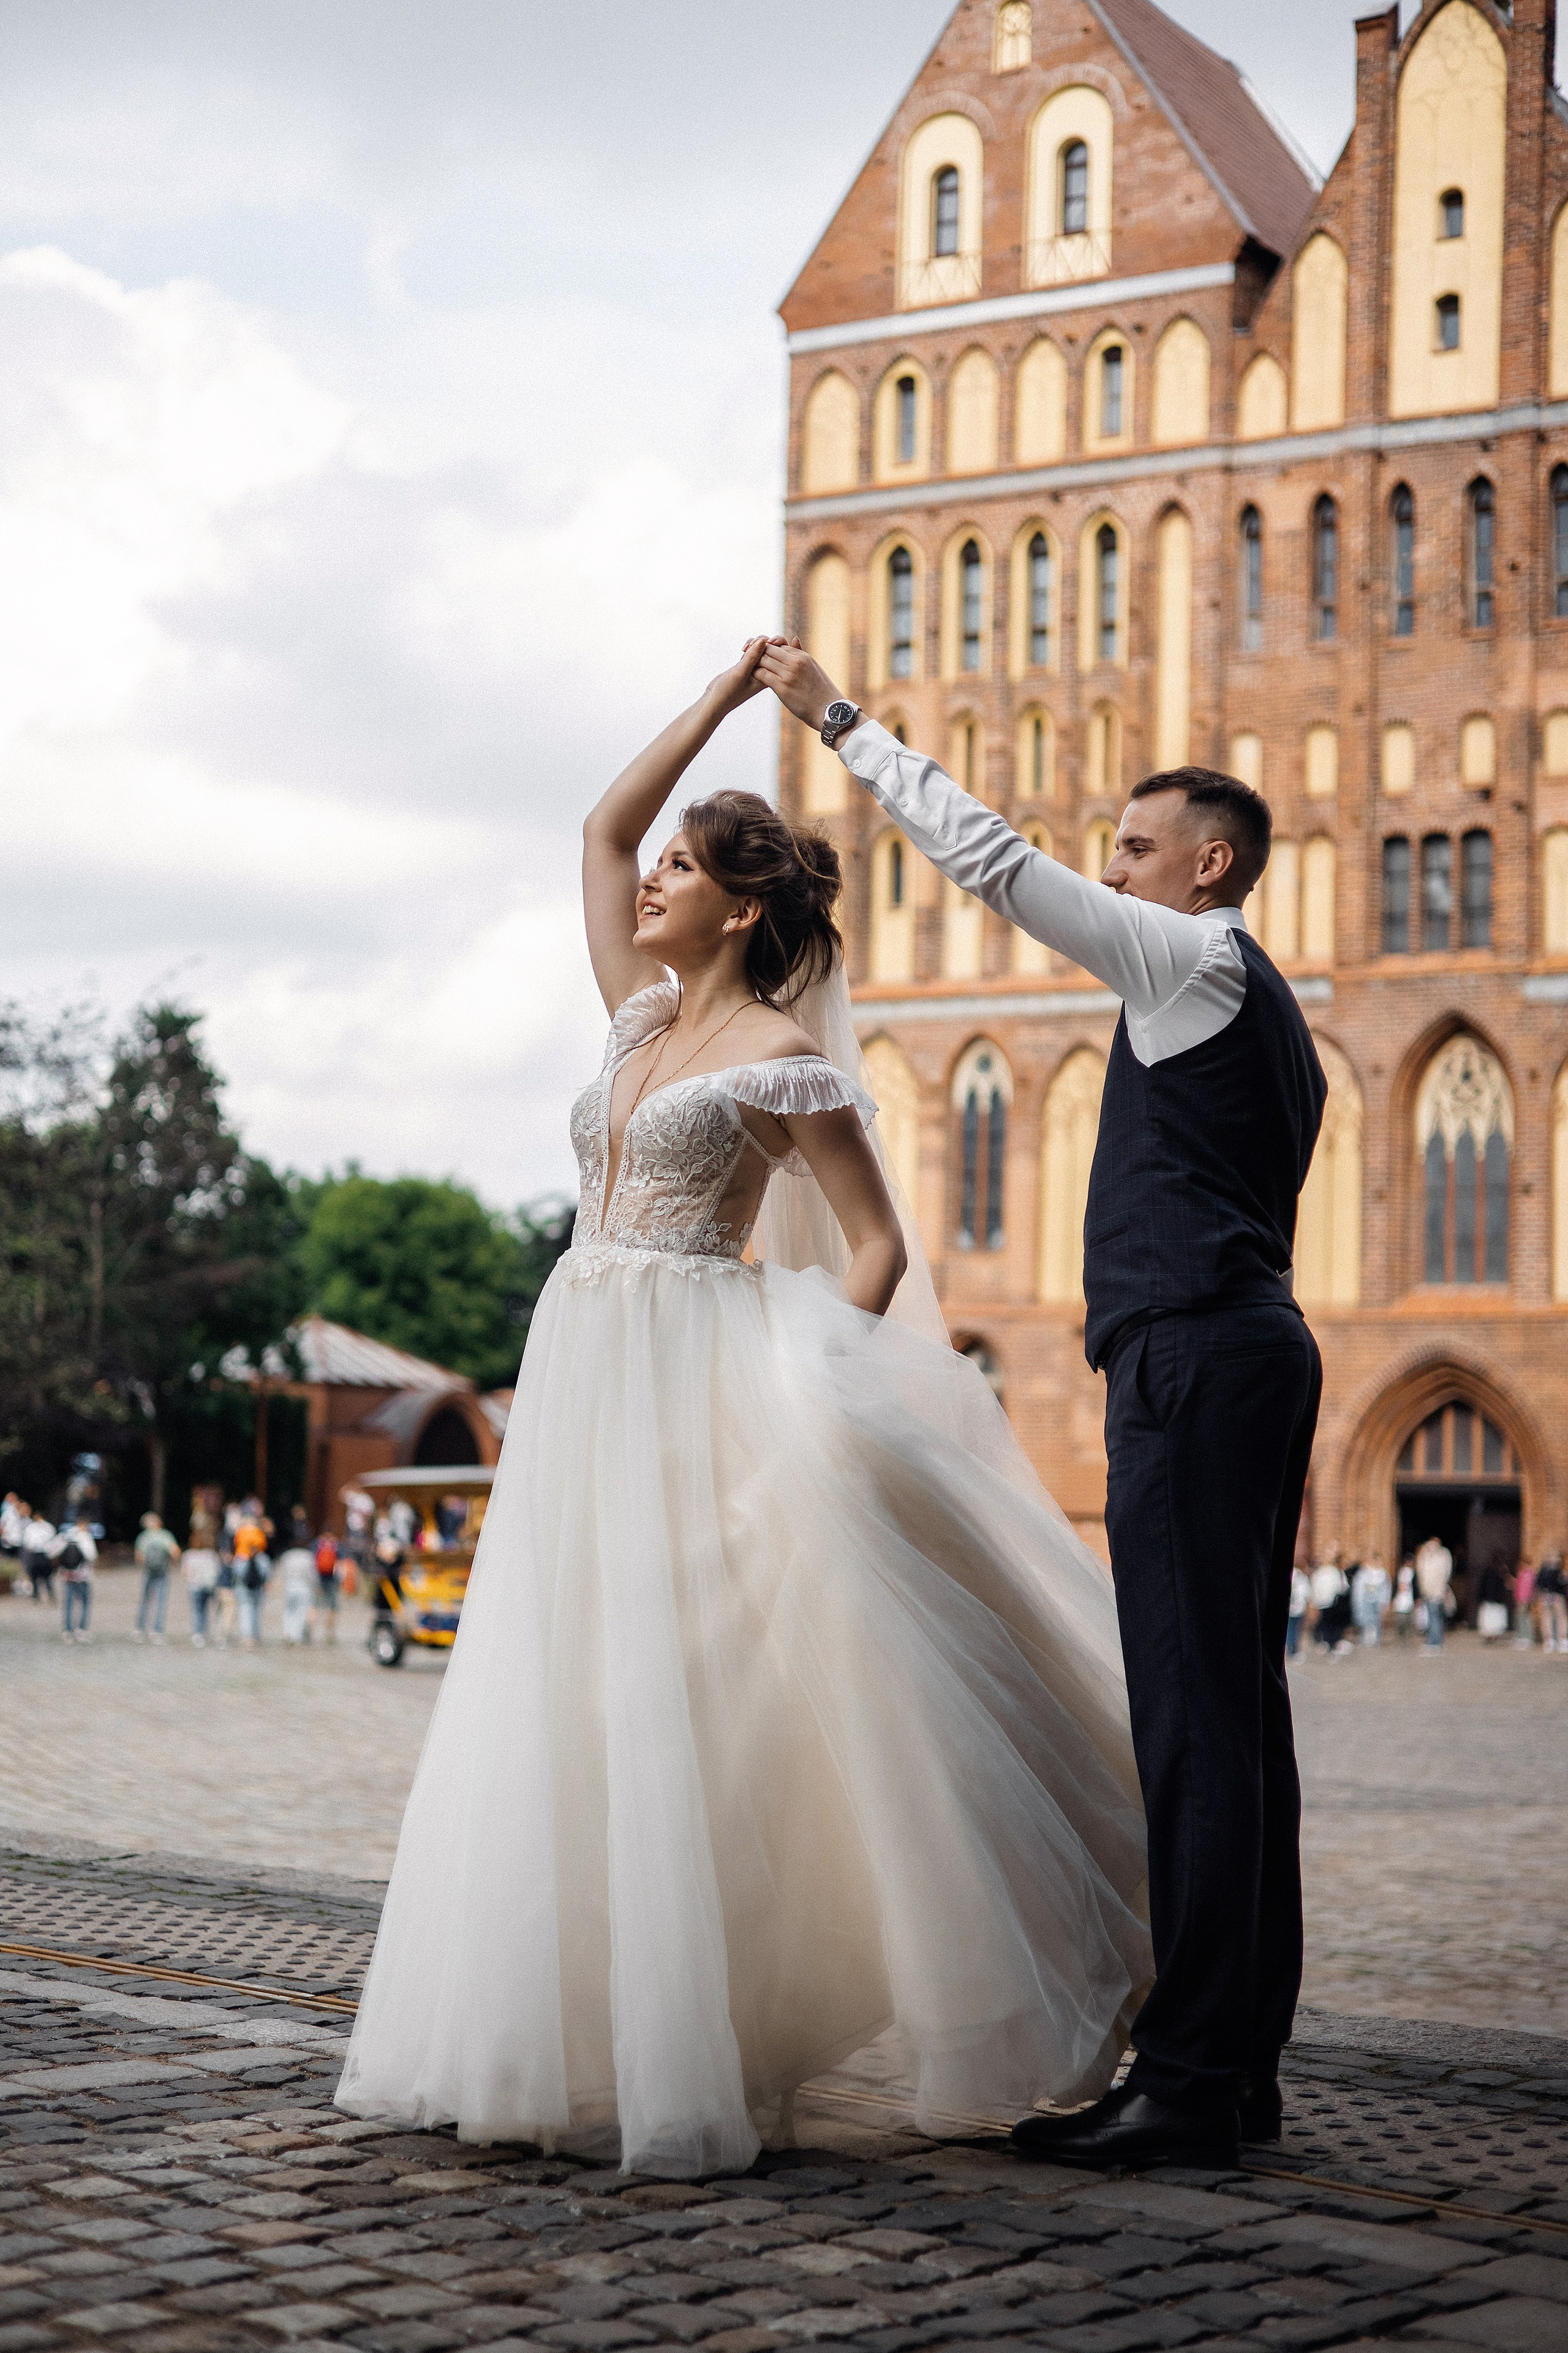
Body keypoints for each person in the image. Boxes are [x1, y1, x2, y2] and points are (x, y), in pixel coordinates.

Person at [336, 641, 1153, 2179]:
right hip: (582, 1360)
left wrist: (813, 1385)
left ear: (744, 905)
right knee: (560, 1683)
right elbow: (591, 831)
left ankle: (725, 2028)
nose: (648, 877)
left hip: (694, 1369)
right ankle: (555, 2022)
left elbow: (877, 1249)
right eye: (661, 863)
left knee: (696, 1696)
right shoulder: (639, 1023)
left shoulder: (781, 1059)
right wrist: (716, 706)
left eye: (684, 866)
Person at [757, 636, 1325, 2170]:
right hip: (1236, 1342)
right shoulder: (1253, 1003)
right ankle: (1228, 2066)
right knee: (1229, 1722)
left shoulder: (1192, 952)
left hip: (1195, 1354)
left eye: (1137, 845)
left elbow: (995, 863)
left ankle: (1196, 2078)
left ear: (1207, 865)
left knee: (1197, 1728)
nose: (1112, 863)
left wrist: (836, 721)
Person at [132, 1513, 181, 1642]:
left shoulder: (144, 1537)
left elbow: (139, 1557)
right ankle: (157, 1631)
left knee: (145, 1601)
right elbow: (175, 1552)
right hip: (163, 1572)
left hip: (149, 1572)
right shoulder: (165, 1535)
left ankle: (140, 1629)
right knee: (161, 1602)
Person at [54, 1521, 96, 1641]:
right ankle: (82, 1629)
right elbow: (92, 1556)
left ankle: (67, 1630)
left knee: (68, 1604)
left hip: (67, 1576)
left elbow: (51, 1551)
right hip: (84, 1576)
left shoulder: (65, 1536)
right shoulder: (86, 1537)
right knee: (85, 1604)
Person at [233, 1514, 271, 1647]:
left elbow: (237, 1573)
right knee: (256, 1610)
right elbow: (266, 1572)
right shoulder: (259, 1534)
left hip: (243, 1570)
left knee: (245, 1609)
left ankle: (247, 1637)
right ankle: (255, 1635)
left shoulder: (241, 1534)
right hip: (258, 1572)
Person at [1415, 1535, 1453, 1651]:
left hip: (1434, 1592)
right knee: (1434, 1617)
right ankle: (1435, 1640)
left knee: (1434, 1617)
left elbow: (1427, 1576)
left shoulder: (1435, 1558)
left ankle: (1434, 1642)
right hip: (1434, 1591)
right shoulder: (1440, 1557)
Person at [1311, 1552, 1352, 1654]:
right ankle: (1331, 1642)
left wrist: (1316, 1601)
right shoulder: (1335, 1572)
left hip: (1324, 1603)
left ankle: (1328, 1642)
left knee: (1326, 1623)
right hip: (1333, 1602)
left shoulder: (1320, 1573)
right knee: (1331, 1623)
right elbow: (1343, 1588)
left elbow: (1315, 1588)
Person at [182, 1536, 220, 1646]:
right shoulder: (211, 1554)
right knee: (207, 1610)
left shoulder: (188, 1555)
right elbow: (217, 1570)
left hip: (195, 1587)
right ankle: (206, 1632)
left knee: (197, 1611)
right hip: (209, 1586)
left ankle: (198, 1634)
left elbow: (185, 1572)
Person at [279, 1539, 317, 1645]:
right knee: (301, 1612)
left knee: (289, 1611)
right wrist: (316, 1586)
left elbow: (283, 1572)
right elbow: (312, 1575)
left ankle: (287, 1633)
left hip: (290, 1586)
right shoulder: (308, 1556)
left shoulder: (287, 1556)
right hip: (304, 1587)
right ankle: (296, 1636)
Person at [1352, 1554, 1390, 1648]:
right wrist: (1358, 1601)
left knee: (1377, 1619)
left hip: (1378, 1600)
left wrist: (1385, 1602)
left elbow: (1386, 1589)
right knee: (1366, 1619)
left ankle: (1375, 1638)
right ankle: (1365, 1637)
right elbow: (1358, 1588)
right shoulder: (1364, 1573)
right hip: (1366, 1600)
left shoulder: (1383, 1574)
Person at [312, 1530, 341, 1643]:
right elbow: (340, 1564)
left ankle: (309, 1630)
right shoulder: (336, 1546)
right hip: (332, 1580)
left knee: (315, 1605)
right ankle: (330, 1633)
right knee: (333, 1607)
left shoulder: (316, 1545)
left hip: (319, 1579)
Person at [1536, 1552, 1568, 1653]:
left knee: (1561, 1617)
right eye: (1553, 1556)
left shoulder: (1560, 1571)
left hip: (1558, 1596)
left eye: (1557, 1557)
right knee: (1547, 1617)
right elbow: (1539, 1584)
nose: (1555, 1559)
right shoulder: (1545, 1571)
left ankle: (1562, 1639)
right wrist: (1545, 1594)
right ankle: (1549, 1640)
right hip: (1549, 1596)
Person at [1285, 1563, 1311, 1659]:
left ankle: (1290, 1647)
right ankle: (1293, 1650)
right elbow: (1306, 1594)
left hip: (1291, 1608)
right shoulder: (1302, 1578)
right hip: (1298, 1608)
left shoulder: (1291, 1576)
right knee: (1295, 1629)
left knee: (1290, 1628)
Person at [1392, 1557, 1418, 1644]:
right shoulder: (1400, 1573)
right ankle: (1401, 1635)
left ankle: (1406, 1637)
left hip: (1409, 1600)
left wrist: (1416, 1598)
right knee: (1401, 1619)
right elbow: (1396, 1586)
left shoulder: (1413, 1573)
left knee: (1408, 1619)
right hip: (1401, 1600)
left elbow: (1415, 1587)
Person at [1513, 1558, 1538, 1648]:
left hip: (1525, 1599)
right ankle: (1521, 1636)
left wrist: (1528, 1599)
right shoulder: (1523, 1574)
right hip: (1521, 1599)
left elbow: (1529, 1589)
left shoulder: (1530, 1574)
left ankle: (1527, 1637)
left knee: (1525, 1618)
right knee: (1521, 1618)